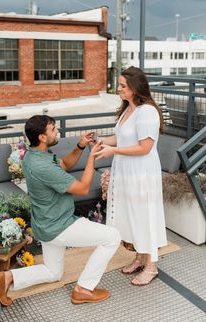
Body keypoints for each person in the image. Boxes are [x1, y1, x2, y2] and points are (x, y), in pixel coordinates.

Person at [0, 115, 121, 306]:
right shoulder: (42, 166)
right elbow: (83, 188)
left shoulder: (34, 154)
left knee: (53, 273)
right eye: (53, 129)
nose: (57, 131)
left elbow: (65, 165)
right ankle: (83, 289)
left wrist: (81, 146)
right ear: (42, 137)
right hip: (59, 225)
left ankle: (7, 278)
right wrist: (92, 156)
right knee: (112, 237)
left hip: (45, 224)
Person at [95, 66, 167, 286]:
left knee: (144, 215)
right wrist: (99, 140)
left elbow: (144, 147)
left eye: (122, 86)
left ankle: (151, 266)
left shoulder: (147, 112)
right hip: (127, 171)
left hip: (141, 173)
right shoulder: (128, 109)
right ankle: (139, 257)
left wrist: (112, 151)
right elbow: (121, 139)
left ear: (135, 88)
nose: (118, 89)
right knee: (132, 216)